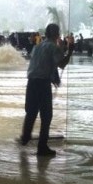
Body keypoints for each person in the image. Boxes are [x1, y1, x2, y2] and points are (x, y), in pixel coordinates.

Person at [18, 23, 74, 156]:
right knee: (46, 116)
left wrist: (53, 75)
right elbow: (61, 64)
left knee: (31, 112)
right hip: (43, 84)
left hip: (31, 83)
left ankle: (25, 137)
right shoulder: (53, 47)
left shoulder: (38, 46)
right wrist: (70, 50)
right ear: (56, 34)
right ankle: (42, 147)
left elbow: (42, 63)